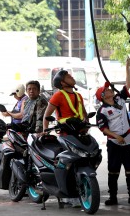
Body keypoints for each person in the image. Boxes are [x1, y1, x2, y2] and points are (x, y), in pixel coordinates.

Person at [95, 57, 130, 206]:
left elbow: (128, 84)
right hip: (114, 143)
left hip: (127, 141)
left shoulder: (120, 99)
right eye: (106, 90)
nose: (109, 89)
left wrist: (127, 67)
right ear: (103, 96)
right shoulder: (102, 111)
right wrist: (116, 136)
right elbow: (103, 129)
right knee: (113, 172)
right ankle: (113, 197)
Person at [42, 69, 87, 208]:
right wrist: (45, 131)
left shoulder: (79, 95)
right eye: (68, 76)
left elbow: (84, 113)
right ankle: (68, 194)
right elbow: (47, 115)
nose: (72, 77)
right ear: (62, 82)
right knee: (68, 164)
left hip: (79, 133)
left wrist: (86, 124)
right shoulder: (58, 96)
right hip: (65, 134)